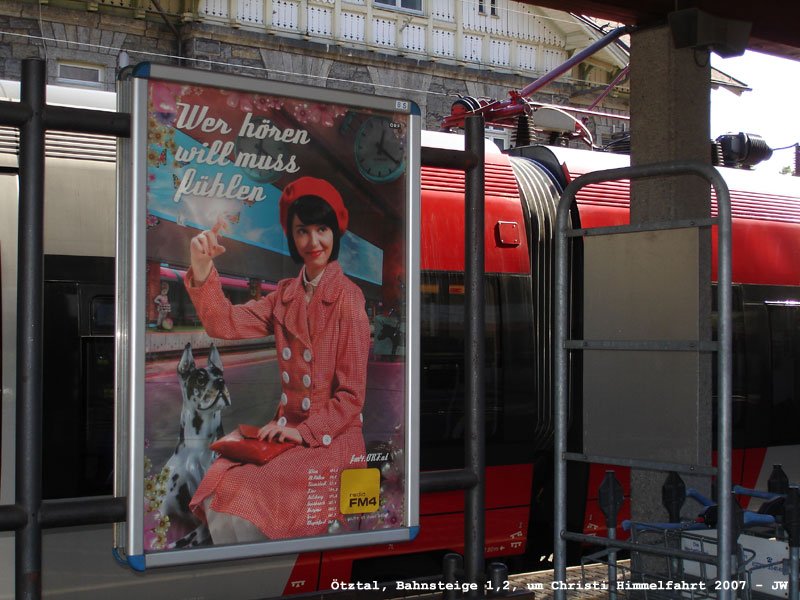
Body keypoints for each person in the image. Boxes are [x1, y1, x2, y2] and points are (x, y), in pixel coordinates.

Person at [183, 176, 371, 543]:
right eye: (303, 231)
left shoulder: (349, 298)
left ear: (335, 232)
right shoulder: (284, 295)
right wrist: (202, 268)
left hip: (330, 442)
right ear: (292, 237)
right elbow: (225, 323)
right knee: (227, 481)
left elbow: (351, 397)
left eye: (322, 229)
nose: (313, 242)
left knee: (247, 492)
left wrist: (301, 432)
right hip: (285, 433)